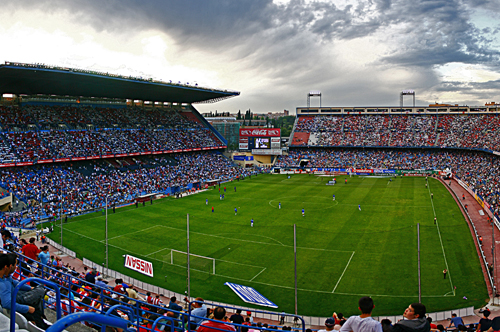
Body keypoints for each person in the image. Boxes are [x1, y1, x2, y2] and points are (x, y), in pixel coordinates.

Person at [0, 253, 49, 329]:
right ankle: (40, 322)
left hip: (17, 296)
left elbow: (14, 283)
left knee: (38, 296)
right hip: (18, 299)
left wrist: (30, 288)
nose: (16, 267)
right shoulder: (3, 283)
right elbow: (6, 303)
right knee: (40, 291)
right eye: (15, 265)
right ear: (9, 266)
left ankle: (39, 321)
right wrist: (27, 308)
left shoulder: (5, 277)